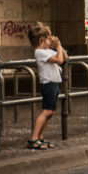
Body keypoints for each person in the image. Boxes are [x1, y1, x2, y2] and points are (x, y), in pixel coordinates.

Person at [27, 22, 66, 150]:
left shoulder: (47, 50)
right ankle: (33, 138)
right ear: (41, 40)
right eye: (49, 38)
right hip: (48, 83)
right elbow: (59, 60)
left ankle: (40, 137)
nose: (51, 40)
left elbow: (64, 57)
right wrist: (58, 47)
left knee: (51, 112)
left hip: (54, 82)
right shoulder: (40, 52)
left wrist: (58, 46)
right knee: (46, 111)